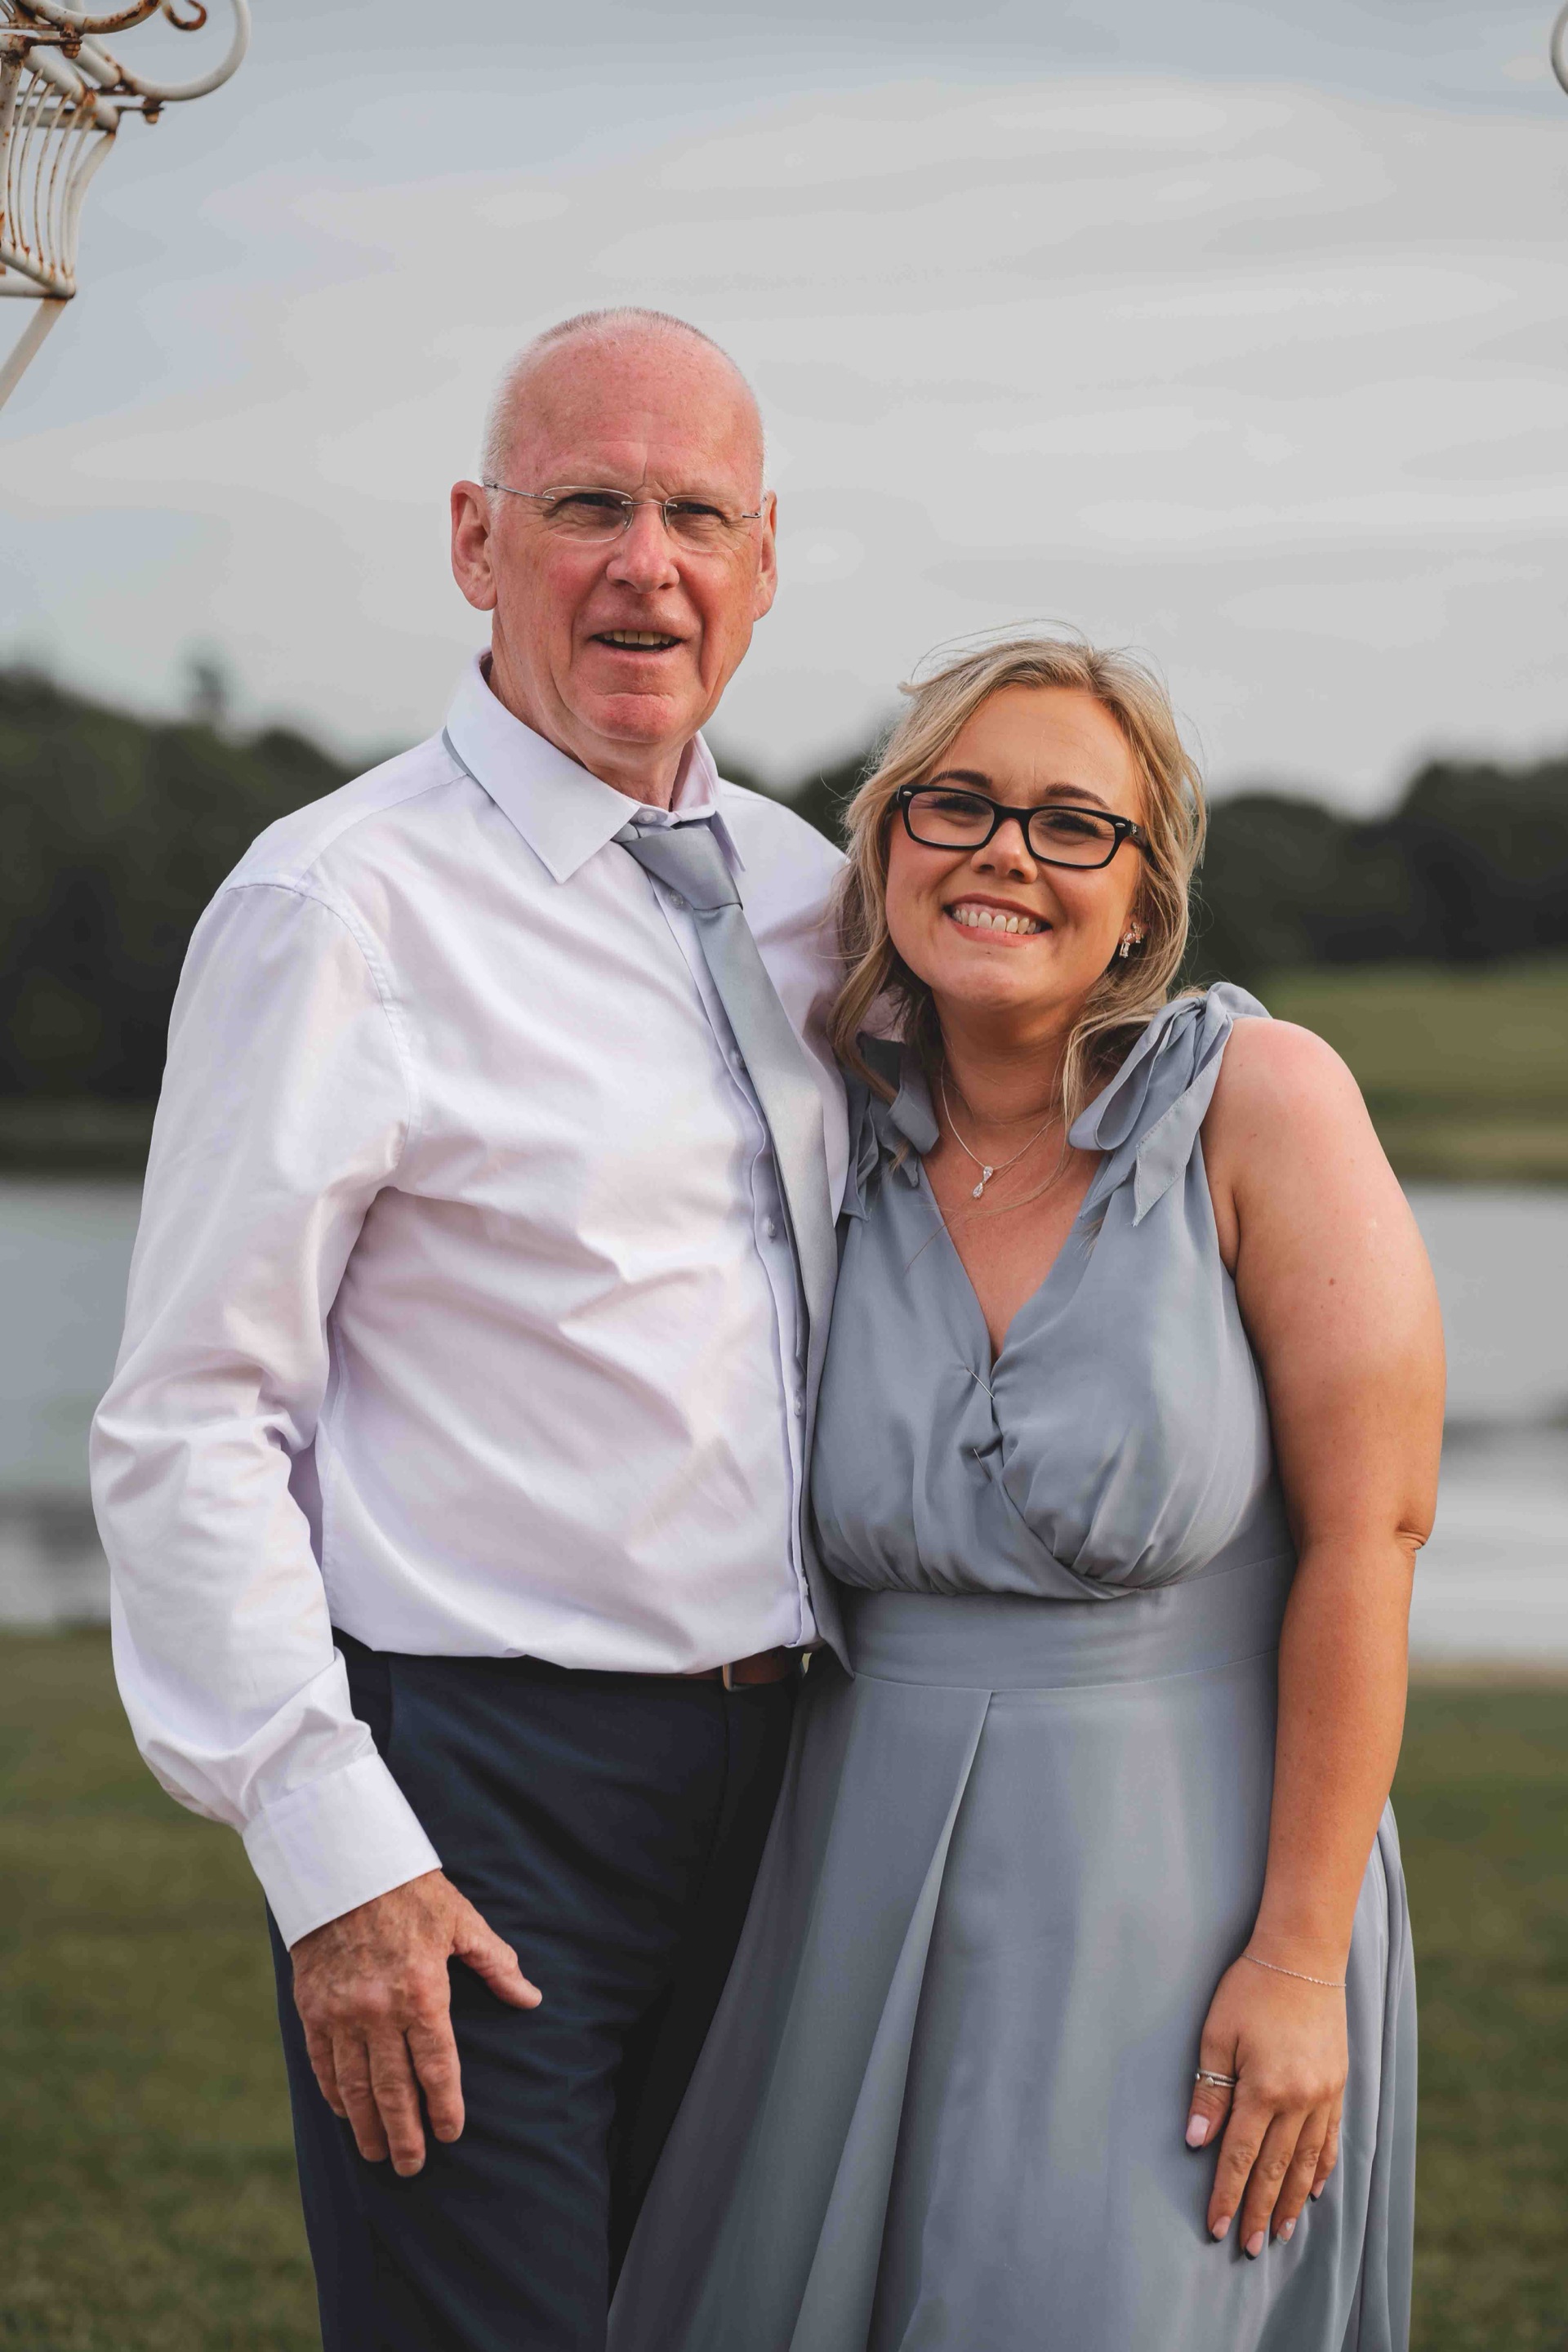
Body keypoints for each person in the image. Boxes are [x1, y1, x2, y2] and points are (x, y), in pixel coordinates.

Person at [90, 306, 850, 2352]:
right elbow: (191, 1419)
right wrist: (332, 1854)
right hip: (479, 1789)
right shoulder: (337, 907)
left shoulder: (815, 898)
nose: (646, 567)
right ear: (474, 542)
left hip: (797, 1787)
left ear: (765, 560)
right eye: (587, 506)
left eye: (698, 515)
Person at [610, 635, 1442, 2352]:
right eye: (960, 805)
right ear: (888, 842)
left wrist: (1298, 1960)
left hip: (1180, 1882)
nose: (1006, 853)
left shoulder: (1259, 1102)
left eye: (1074, 824)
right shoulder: (823, 1136)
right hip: (845, 1875)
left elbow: (1375, 1536)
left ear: (1143, 900)